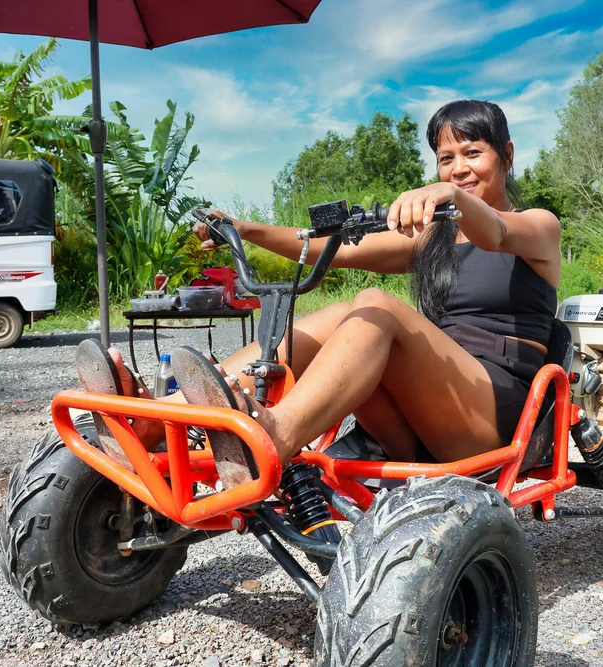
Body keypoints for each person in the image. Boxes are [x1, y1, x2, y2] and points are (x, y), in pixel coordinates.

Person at [76, 99, 562, 486]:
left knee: (375, 304)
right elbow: (336, 249)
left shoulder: (539, 227)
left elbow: (494, 232)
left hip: (493, 418)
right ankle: (163, 419)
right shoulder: (430, 239)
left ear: (508, 155)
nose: (458, 170)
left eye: (472, 153)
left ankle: (274, 433)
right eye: (446, 160)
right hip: (424, 415)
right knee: (341, 313)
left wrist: (449, 198)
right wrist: (244, 229)